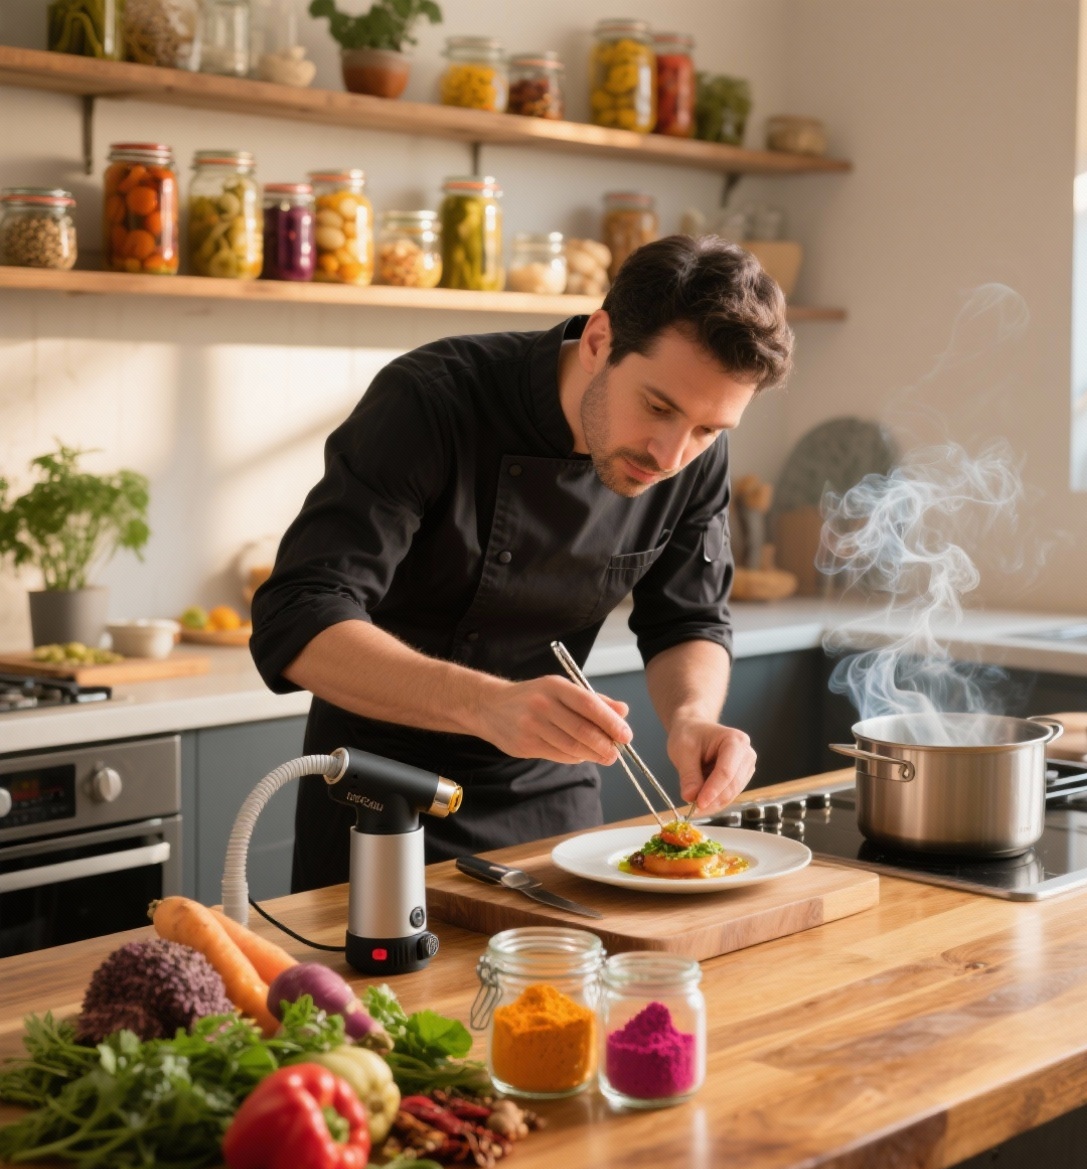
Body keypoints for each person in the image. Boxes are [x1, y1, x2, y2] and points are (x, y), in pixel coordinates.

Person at [250, 233, 794, 889]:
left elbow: (689, 619)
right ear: (599, 341)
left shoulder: (688, 455)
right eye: (657, 406)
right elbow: (297, 614)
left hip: (552, 801)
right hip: (385, 797)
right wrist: (486, 705)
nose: (672, 455)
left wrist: (692, 719)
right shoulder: (431, 400)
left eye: (709, 430)